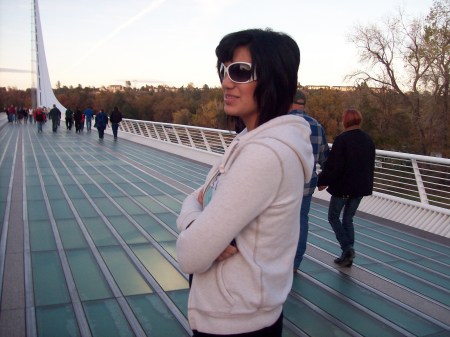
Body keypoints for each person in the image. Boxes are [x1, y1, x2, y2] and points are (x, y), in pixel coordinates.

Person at [176, 28, 314, 337]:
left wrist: (190, 224)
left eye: (240, 72)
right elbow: (199, 197)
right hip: (251, 312)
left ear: (273, 78)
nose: (226, 82)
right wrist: (200, 224)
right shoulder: (252, 140)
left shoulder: (264, 154)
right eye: (225, 71)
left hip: (235, 322)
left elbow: (190, 254)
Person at [317, 108, 375, 267]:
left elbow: (334, 166)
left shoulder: (342, 140)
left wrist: (321, 181)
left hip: (343, 189)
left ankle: (347, 248)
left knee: (333, 217)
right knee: (348, 219)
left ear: (345, 121)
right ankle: (347, 255)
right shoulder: (368, 140)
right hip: (359, 189)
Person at [290, 91, 329, 272]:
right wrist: (323, 179)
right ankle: (295, 263)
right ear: (304, 104)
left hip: (282, 184)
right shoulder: (317, 126)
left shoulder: (280, 123)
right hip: (306, 184)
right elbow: (325, 159)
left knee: (276, 221)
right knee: (301, 221)